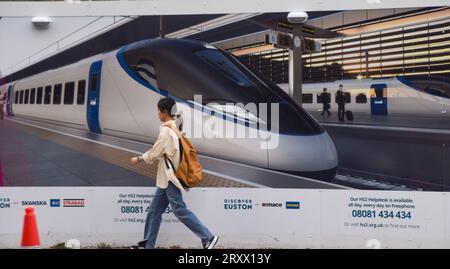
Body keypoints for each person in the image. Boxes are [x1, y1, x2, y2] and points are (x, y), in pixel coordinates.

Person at [129, 97, 218, 249]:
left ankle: (208, 237)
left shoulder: (166, 130)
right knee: (154, 211)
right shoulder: (174, 127)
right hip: (166, 178)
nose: (157, 113)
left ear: (164, 112)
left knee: (179, 209)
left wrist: (139, 159)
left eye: (158, 110)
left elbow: (156, 152)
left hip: (170, 178)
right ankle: (147, 244)